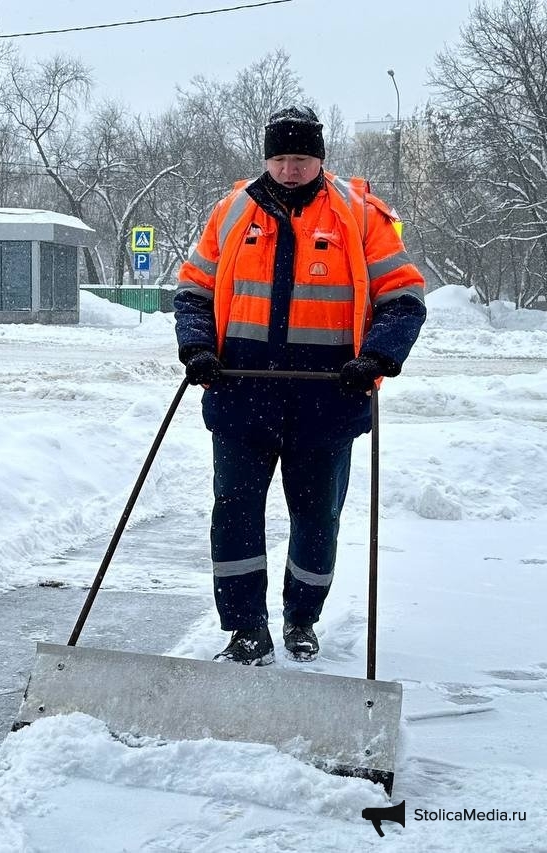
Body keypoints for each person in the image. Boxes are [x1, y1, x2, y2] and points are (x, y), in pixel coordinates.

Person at [174, 105, 427, 666]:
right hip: (240, 392)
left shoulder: (360, 216)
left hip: (329, 397)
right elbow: (194, 289)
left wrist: (379, 358)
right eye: (282, 158)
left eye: (303, 158)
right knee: (234, 512)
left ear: (320, 158)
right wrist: (197, 348)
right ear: (268, 157)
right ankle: (244, 630)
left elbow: (404, 297)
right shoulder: (233, 211)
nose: (291, 169)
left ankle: (301, 619)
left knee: (316, 518)